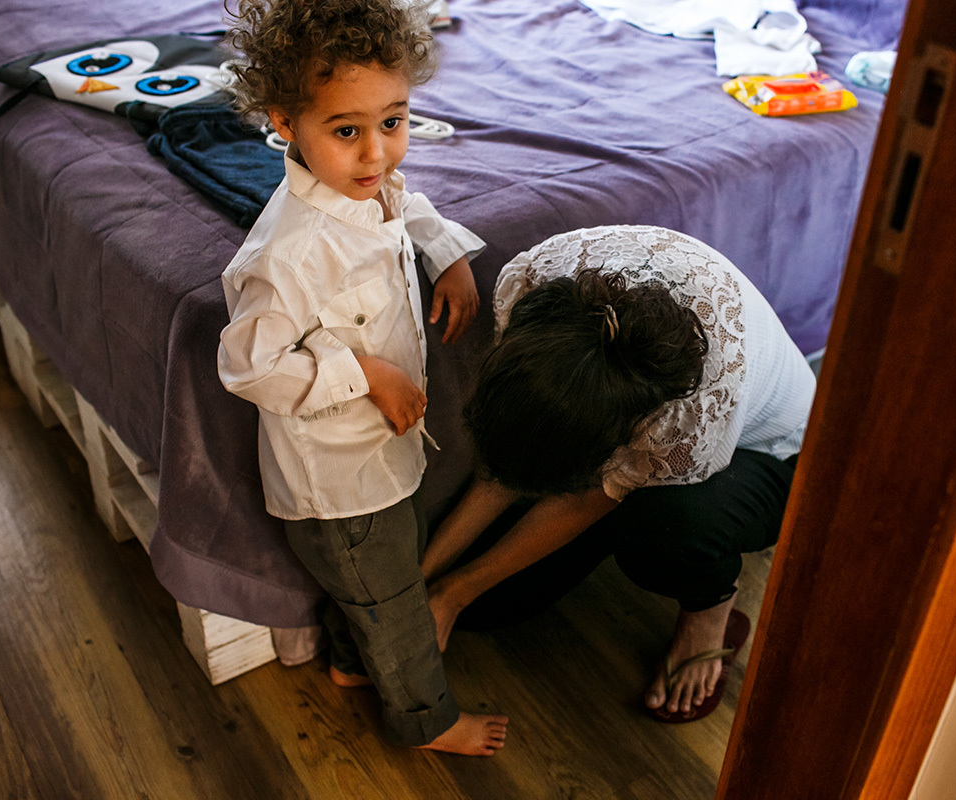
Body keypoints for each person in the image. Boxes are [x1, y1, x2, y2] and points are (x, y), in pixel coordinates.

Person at [216, 0, 508, 755]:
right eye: (346, 131)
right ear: (285, 123)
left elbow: (404, 205)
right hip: (339, 484)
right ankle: (427, 721)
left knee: (375, 588)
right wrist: (364, 372)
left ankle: (352, 667)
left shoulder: (366, 188)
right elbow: (248, 367)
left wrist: (445, 252)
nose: (377, 153)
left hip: (381, 461)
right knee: (397, 601)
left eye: (395, 122)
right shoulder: (286, 255)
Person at [421, 225, 816, 722]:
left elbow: (591, 496)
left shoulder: (690, 412)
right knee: (488, 611)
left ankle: (710, 608)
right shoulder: (534, 287)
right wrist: (422, 582)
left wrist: (452, 595)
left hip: (781, 455)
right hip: (627, 413)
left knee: (663, 528)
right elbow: (510, 455)